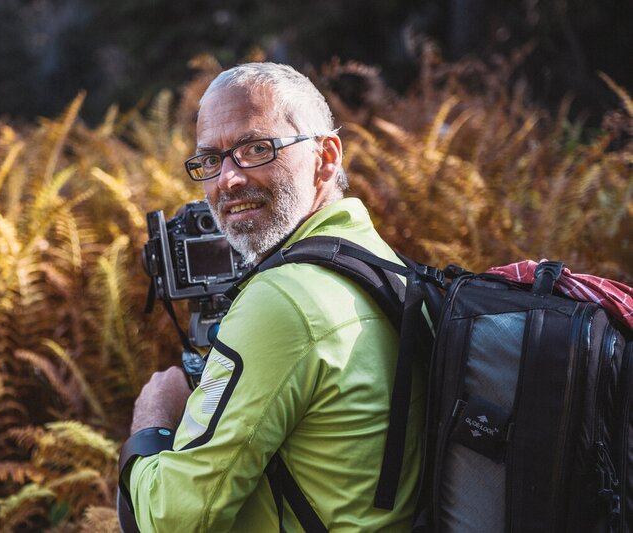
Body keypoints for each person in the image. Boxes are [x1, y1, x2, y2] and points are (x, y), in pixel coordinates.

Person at [119, 62, 424, 532]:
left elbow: (171, 520)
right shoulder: (381, 263)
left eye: (256, 148)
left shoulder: (286, 299)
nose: (228, 179)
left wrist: (152, 420)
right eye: (210, 160)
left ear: (326, 156)